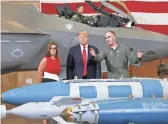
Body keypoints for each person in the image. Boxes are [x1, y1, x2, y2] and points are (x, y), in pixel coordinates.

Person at [37, 42, 61, 124]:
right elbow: (40, 72)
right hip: (47, 82)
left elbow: (57, 72)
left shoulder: (58, 60)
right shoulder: (45, 59)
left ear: (56, 50)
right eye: (51, 48)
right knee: (46, 105)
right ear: (49, 49)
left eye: (54, 48)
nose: (53, 50)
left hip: (56, 83)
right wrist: (40, 84)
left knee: (55, 104)